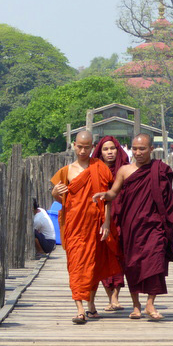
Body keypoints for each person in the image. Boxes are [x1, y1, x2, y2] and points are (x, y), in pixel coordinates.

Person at [93, 133, 173, 321]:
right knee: (133, 265)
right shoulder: (124, 170)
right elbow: (114, 193)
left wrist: (169, 222)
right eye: (135, 148)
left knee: (155, 261)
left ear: (151, 150)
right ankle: (136, 305)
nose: (138, 152)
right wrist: (104, 195)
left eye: (142, 149)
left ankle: (150, 303)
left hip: (154, 224)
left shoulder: (160, 169)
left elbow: (168, 199)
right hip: (131, 225)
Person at [51, 130, 122, 324]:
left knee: (93, 265)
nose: (82, 150)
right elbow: (62, 199)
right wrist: (55, 193)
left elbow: (107, 198)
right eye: (79, 146)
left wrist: (107, 222)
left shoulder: (99, 167)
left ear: (92, 147)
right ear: (74, 145)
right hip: (74, 225)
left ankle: (90, 305)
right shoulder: (66, 171)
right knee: (76, 265)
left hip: (95, 225)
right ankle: (79, 309)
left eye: (87, 147)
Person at [91, 136, 129, 312]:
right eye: (105, 149)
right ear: (100, 152)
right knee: (104, 257)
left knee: (119, 257)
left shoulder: (126, 169)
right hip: (101, 219)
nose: (110, 152)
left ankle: (116, 296)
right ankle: (109, 296)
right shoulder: (94, 170)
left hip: (122, 218)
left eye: (112, 148)